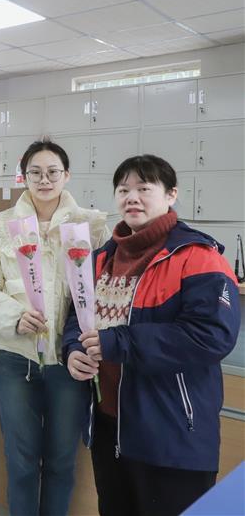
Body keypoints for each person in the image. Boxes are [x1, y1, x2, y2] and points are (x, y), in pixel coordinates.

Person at [63, 155, 241, 516]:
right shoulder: (99, 259)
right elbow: (76, 319)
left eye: (144, 188)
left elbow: (211, 336)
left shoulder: (197, 257)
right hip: (110, 429)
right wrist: (72, 350)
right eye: (123, 189)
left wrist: (117, 342)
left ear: (171, 194)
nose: (132, 197)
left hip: (171, 435)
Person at [0, 139, 109, 516]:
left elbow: (104, 288)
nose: (44, 179)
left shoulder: (91, 226)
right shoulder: (1, 226)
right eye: (35, 172)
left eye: (52, 172)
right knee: (20, 461)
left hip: (69, 362)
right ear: (24, 177)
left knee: (62, 461)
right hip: (17, 359)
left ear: (67, 175)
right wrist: (14, 317)